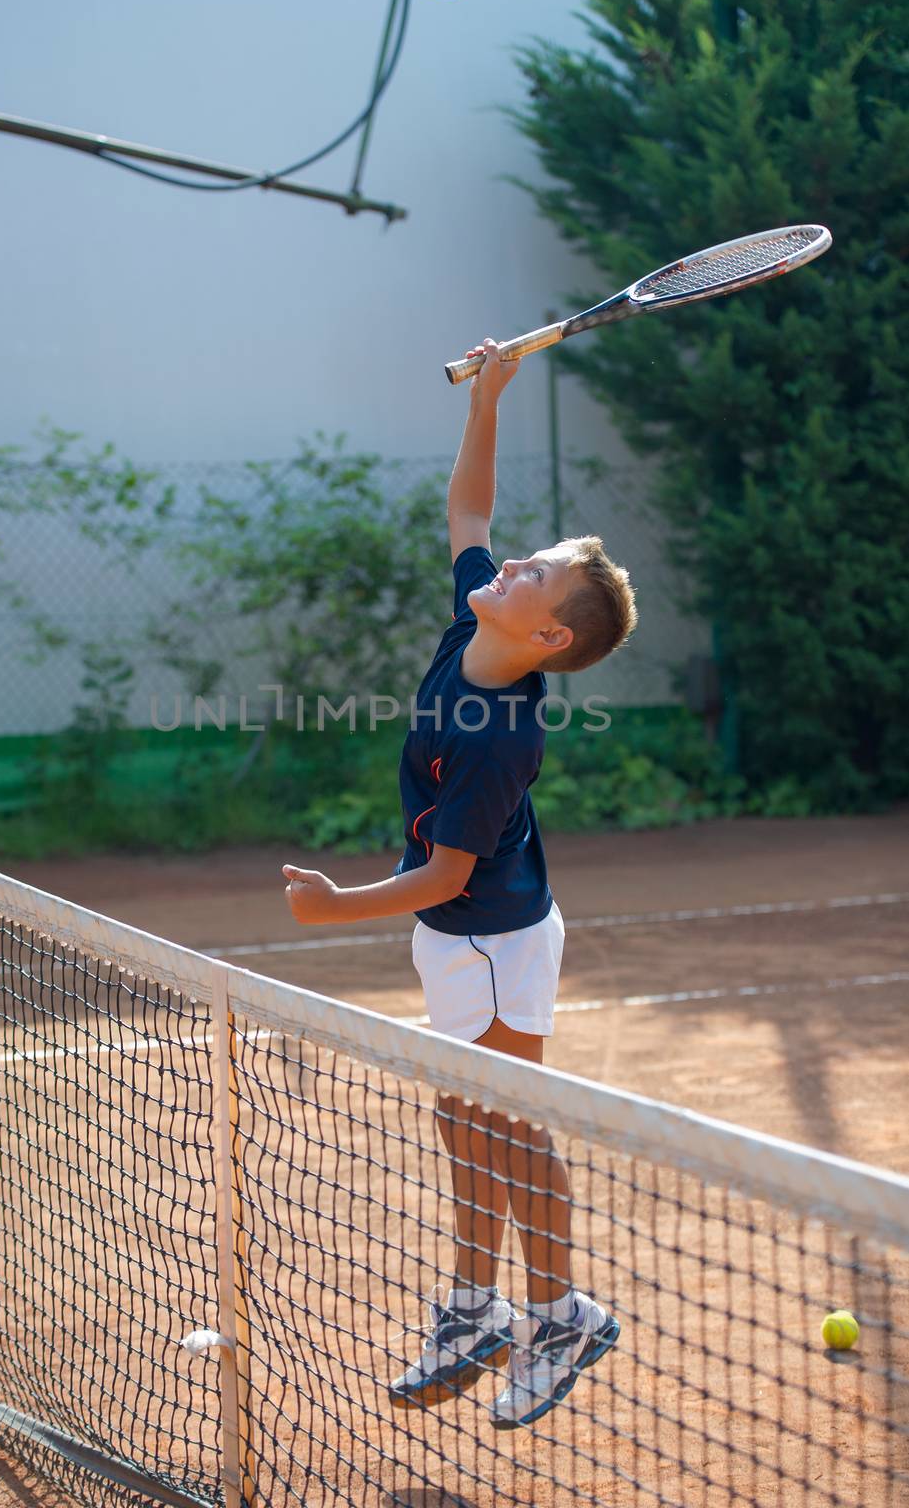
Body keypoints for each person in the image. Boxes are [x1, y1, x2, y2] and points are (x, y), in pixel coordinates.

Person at [282, 338, 637, 1429]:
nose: (510, 563)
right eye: (523, 557)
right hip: (449, 930)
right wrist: (487, 399)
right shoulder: (471, 628)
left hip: (499, 933)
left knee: (511, 1122)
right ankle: (475, 1306)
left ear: (548, 636)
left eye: (534, 574)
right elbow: (468, 513)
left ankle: (561, 1310)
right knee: (457, 1115)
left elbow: (443, 867)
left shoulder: (495, 735)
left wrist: (339, 908)